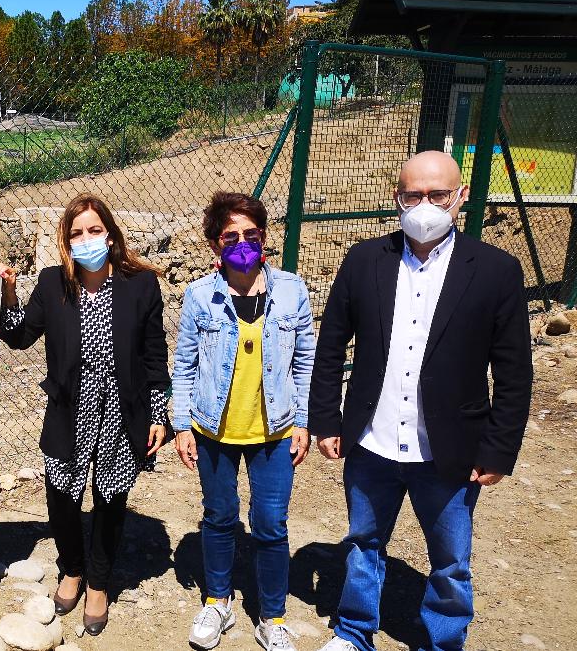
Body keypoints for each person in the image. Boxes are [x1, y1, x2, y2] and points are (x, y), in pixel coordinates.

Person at [312, 151, 532, 651]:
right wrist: (327, 419)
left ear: (461, 197)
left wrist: (498, 450)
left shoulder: (496, 270)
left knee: (451, 560)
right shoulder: (365, 259)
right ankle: (353, 631)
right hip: (372, 442)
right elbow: (330, 348)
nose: (424, 205)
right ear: (397, 198)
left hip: (448, 450)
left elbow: (515, 372)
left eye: (437, 194)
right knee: (364, 543)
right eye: (413, 194)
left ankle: (443, 639)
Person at [0, 193, 170, 636]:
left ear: (109, 235)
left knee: (110, 501)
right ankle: (71, 568)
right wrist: (8, 292)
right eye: (76, 233)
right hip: (69, 408)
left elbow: (154, 357)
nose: (86, 239)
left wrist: (158, 414)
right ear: (65, 241)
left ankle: (98, 583)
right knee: (63, 499)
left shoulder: (140, 285)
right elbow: (18, 337)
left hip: (121, 409)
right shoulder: (54, 283)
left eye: (93, 230)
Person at [171, 192, 315, 651]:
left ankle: (272, 616)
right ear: (215, 244)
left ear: (264, 237)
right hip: (213, 429)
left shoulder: (292, 290)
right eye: (230, 236)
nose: (242, 243)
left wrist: (304, 420)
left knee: (271, 523)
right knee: (219, 517)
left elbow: (306, 360)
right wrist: (180, 425)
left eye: (251, 234)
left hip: (274, 429)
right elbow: (186, 365)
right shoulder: (199, 296)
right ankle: (217, 600)